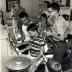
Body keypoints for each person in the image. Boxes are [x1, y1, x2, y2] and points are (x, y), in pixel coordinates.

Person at [45, 2, 68, 72]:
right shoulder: (56, 18)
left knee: (56, 67)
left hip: (60, 45)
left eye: (50, 12)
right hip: (57, 44)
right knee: (55, 63)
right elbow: (55, 28)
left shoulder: (59, 21)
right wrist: (49, 20)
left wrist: (51, 34)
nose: (48, 13)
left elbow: (62, 38)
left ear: (55, 11)